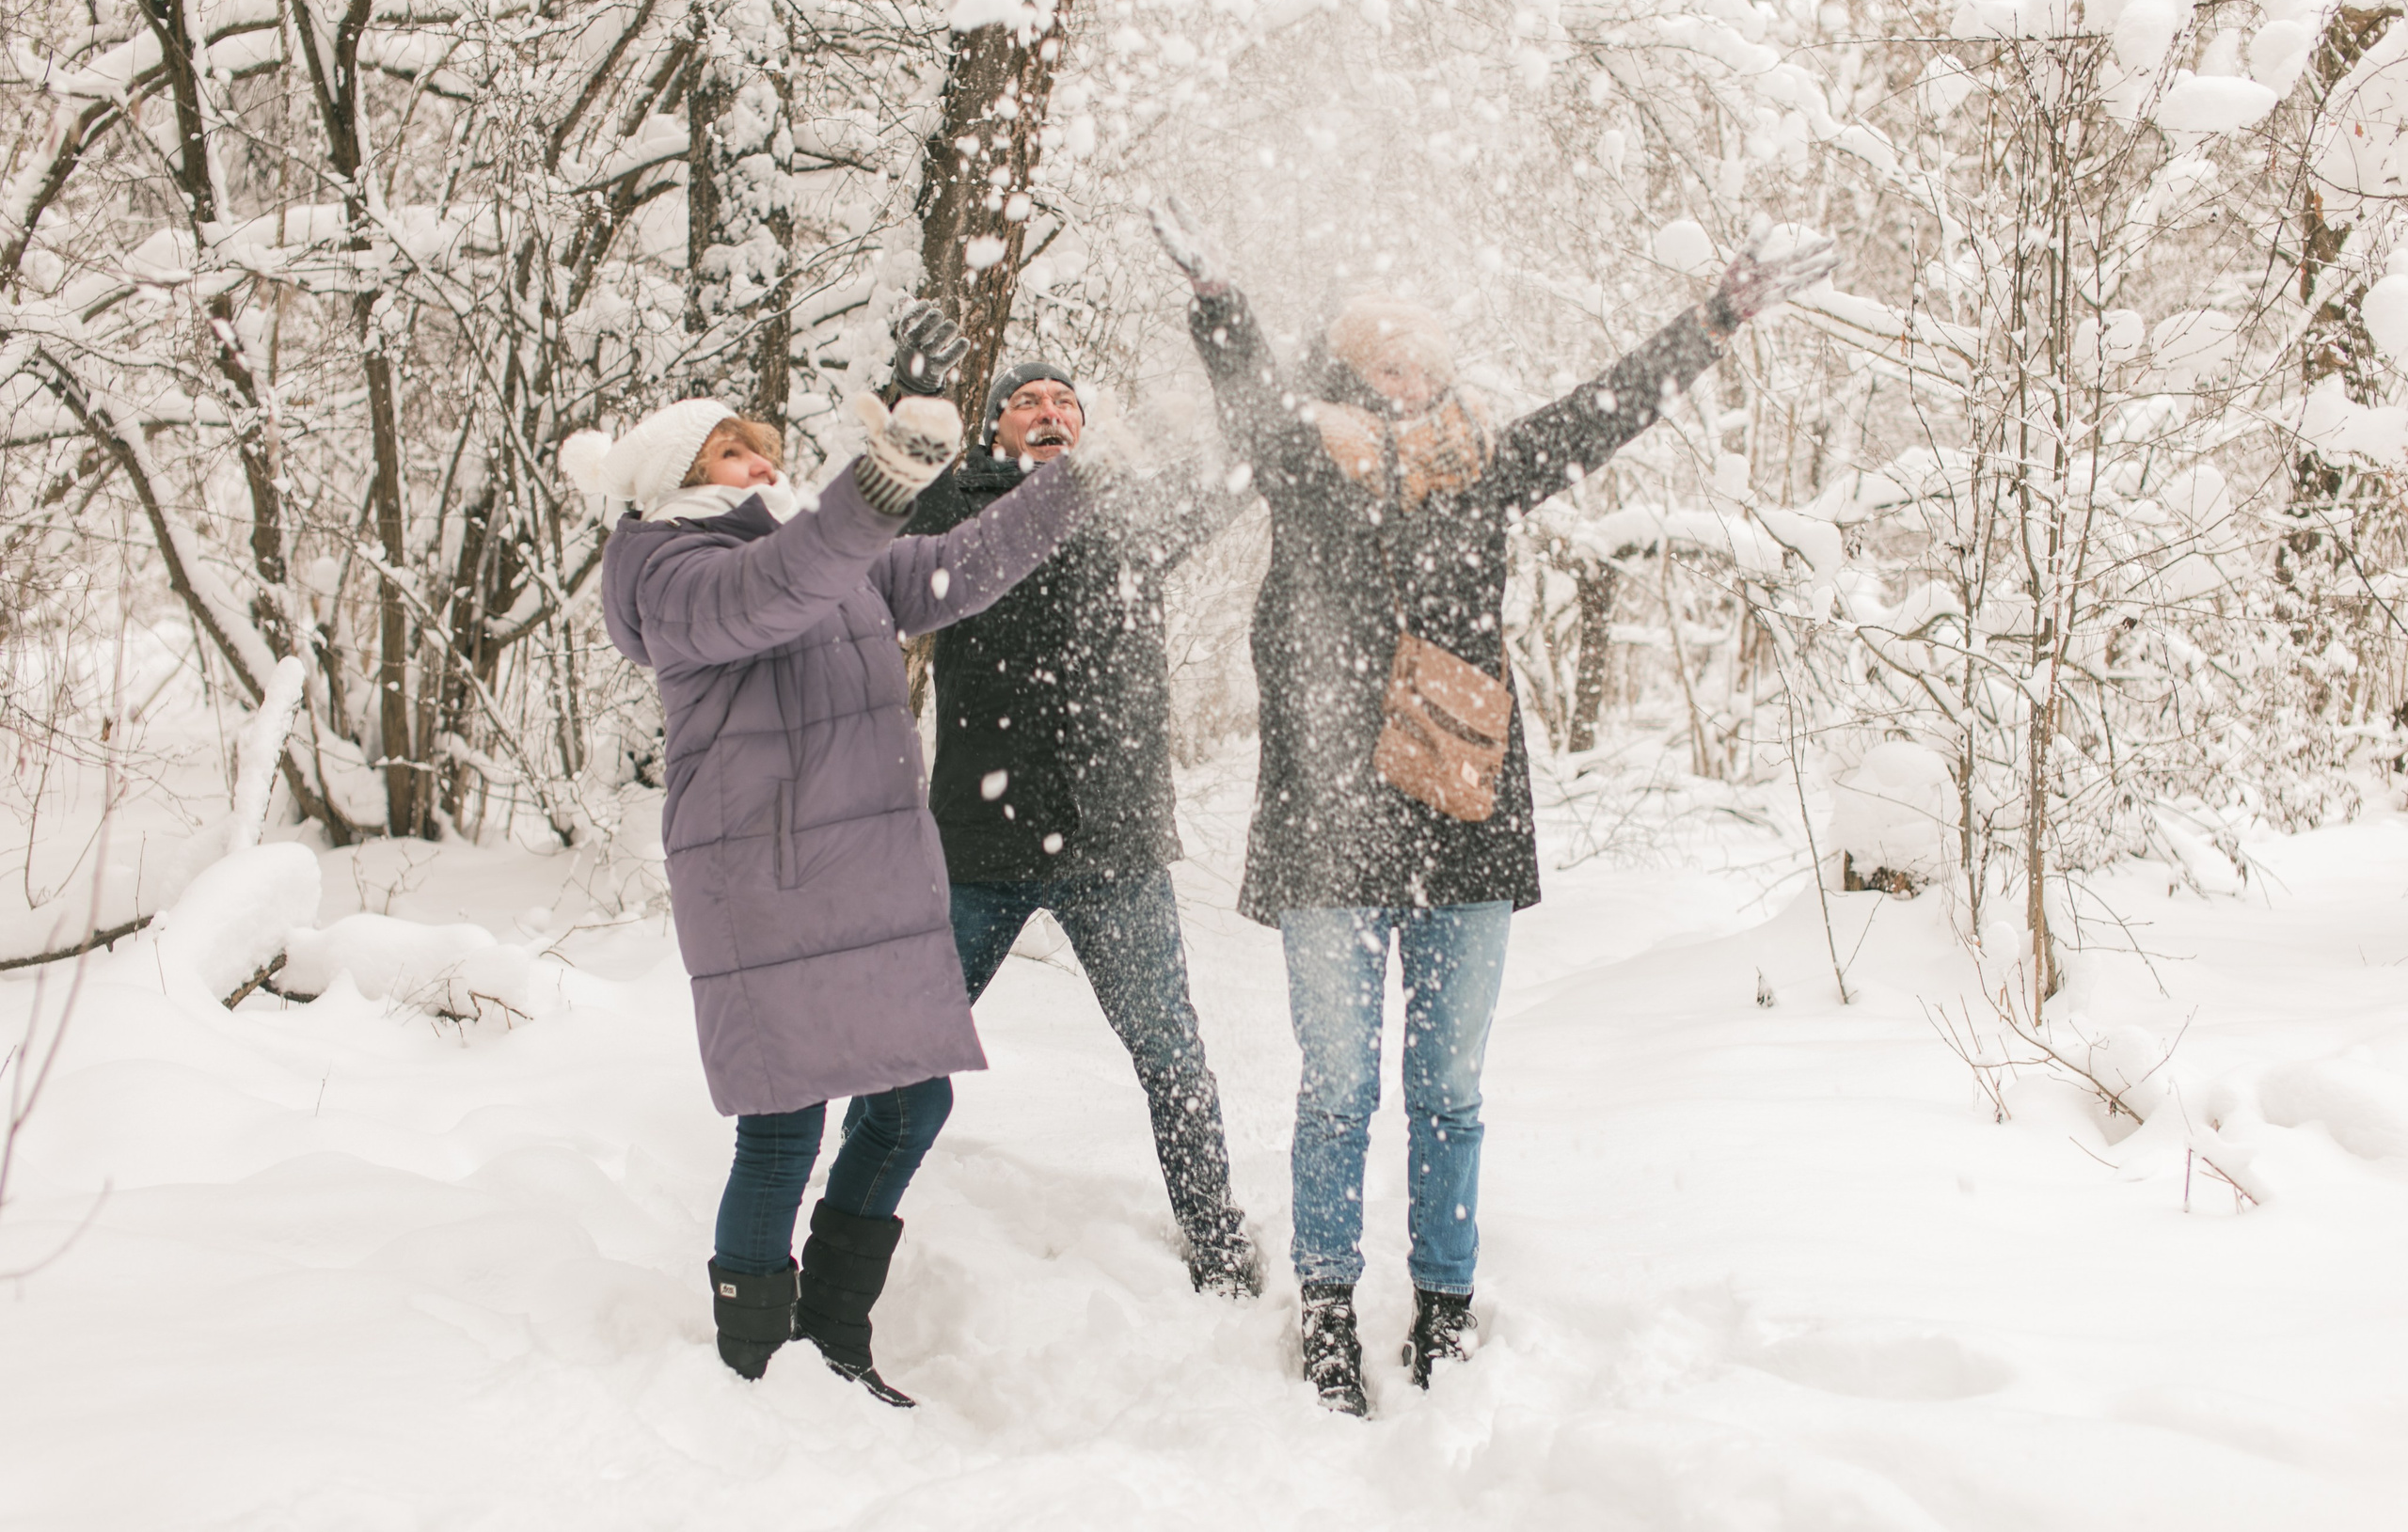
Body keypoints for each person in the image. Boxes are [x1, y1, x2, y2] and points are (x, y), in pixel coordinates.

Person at [1149, 200, 1836, 1414]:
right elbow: (1249, 402)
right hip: (1332, 829)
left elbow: (1603, 411)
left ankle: (1445, 1310)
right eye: (1380, 358)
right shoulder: (1308, 466)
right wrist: (1220, 305)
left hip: (1465, 823)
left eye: (1419, 356)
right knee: (1338, 1092)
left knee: (1451, 1094)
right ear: (1348, 375)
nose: (1404, 374)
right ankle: (1324, 1310)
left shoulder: (1486, 469)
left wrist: (1716, 317)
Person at [584, 386, 1105, 1406]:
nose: (760, 463)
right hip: (765, 883)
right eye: (733, 452)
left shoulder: (812, 546)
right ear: (677, 476)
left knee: (912, 1100)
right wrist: (882, 483)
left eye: (762, 448)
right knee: (782, 1126)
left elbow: (957, 568)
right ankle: (755, 1368)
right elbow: (780, 585)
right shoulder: (669, 571)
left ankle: (830, 1339)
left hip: (862, 876)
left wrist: (1077, 480)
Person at [874, 305, 1262, 1293]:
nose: (1048, 411)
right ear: (995, 428)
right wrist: (900, 391)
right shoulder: (956, 509)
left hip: (1113, 843)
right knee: (904, 1049)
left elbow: (1244, 455)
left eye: (1065, 402)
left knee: (1170, 1051)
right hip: (977, 843)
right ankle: (845, 1228)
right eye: (1026, 401)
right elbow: (874, 506)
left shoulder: (1127, 507)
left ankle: (1216, 1244)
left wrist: (1230, 347)